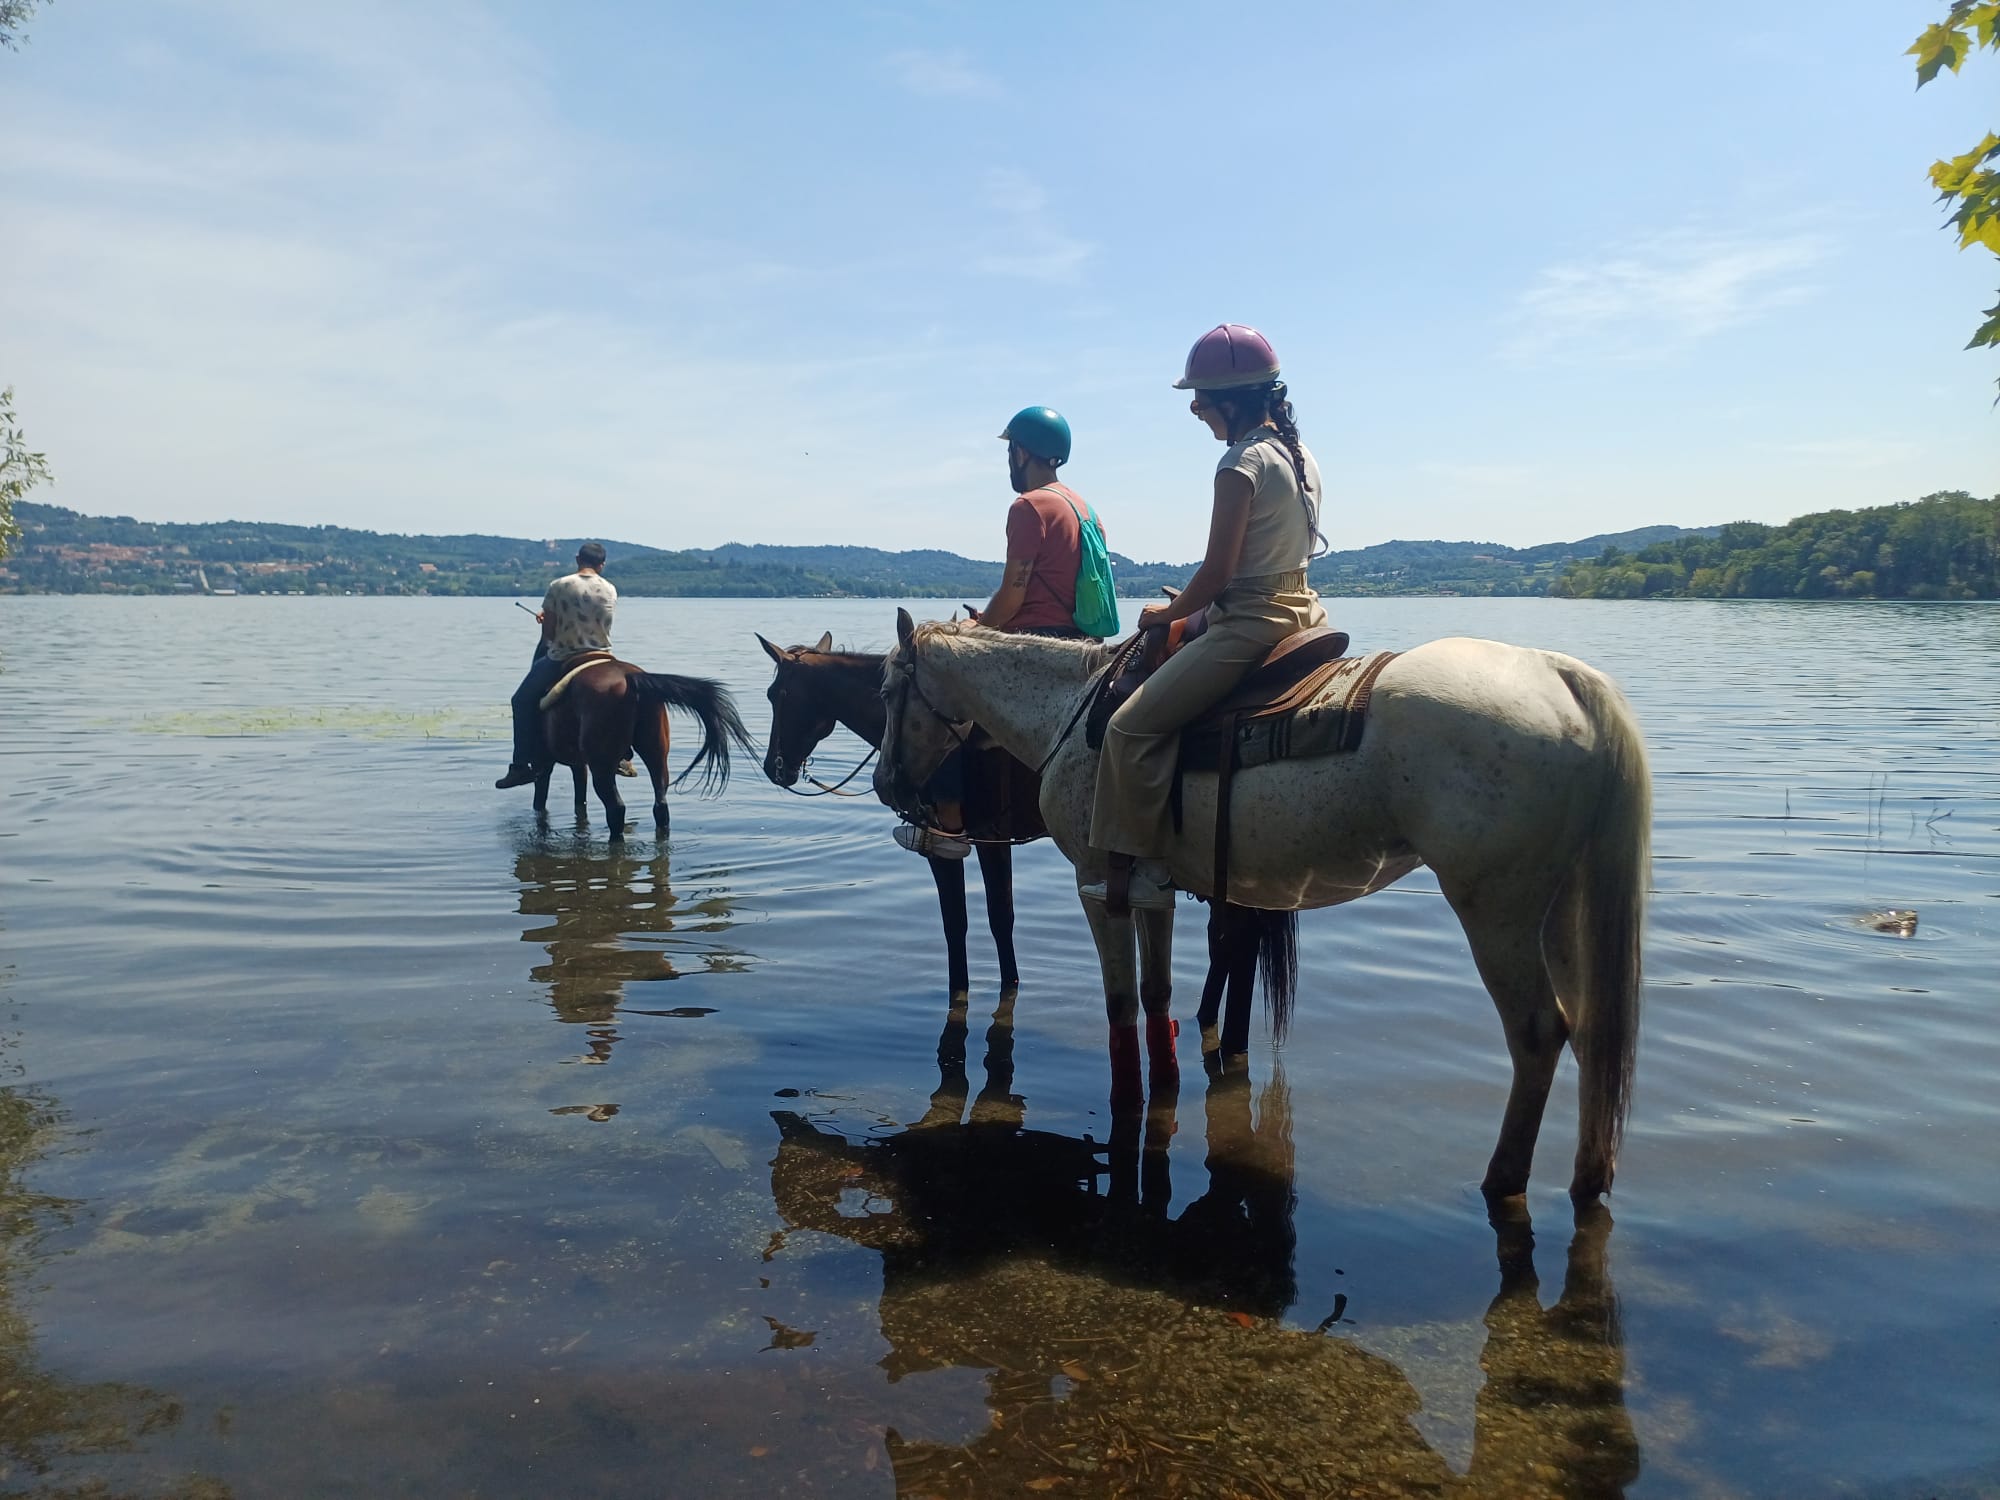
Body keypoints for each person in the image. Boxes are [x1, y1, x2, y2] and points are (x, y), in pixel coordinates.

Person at [1080, 325, 1327, 908]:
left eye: (1200, 399)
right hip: (1304, 612)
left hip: (1251, 621)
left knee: (1128, 727)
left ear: (1232, 398)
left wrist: (1165, 612)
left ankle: (1147, 871)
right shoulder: (1300, 454)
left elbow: (1217, 576)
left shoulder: (1240, 463)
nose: (1194, 410)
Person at [892, 405, 1113, 860]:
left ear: (1021, 452)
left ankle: (949, 829)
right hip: (1079, 644)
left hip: (1035, 643)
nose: (1008, 460)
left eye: (1010, 450)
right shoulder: (1084, 507)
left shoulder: (1028, 507)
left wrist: (975, 630)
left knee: (939, 694)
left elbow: (1013, 596)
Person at [495, 542, 619, 789]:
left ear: (577, 559)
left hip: (564, 657)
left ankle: (520, 766)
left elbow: (549, 634)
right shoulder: (610, 589)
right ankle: (623, 755)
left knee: (520, 700)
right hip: (603, 656)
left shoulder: (559, 586)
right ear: (602, 565)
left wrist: (547, 620)